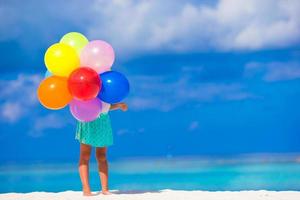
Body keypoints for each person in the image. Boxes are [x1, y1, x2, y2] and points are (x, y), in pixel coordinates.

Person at [76, 102, 128, 196]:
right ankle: (86, 189)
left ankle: (105, 189)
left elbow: (104, 105)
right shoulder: (86, 87)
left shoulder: (103, 88)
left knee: (102, 156)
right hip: (87, 118)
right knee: (85, 155)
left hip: (102, 121)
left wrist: (118, 105)